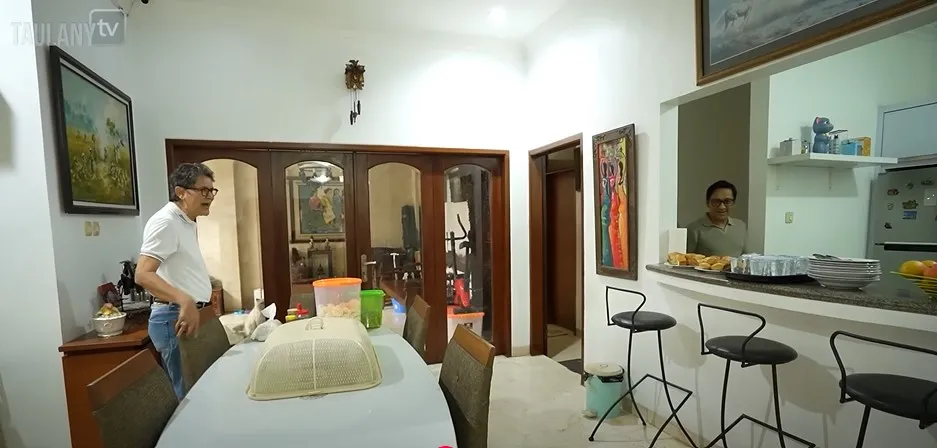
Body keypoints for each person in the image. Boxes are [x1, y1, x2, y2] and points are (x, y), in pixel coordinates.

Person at [135, 163, 217, 398]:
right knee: (188, 397)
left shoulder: (186, 221)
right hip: (174, 318)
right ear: (181, 192)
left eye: (212, 190)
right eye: (203, 190)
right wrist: (184, 300)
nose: (210, 196)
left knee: (202, 391)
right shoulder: (166, 221)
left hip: (190, 314)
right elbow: (142, 274)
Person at [686, 180, 748, 257]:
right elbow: (685, 260)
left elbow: (745, 256)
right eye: (716, 201)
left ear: (733, 203)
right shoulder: (693, 229)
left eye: (727, 201)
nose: (722, 207)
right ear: (707, 203)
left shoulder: (740, 226)